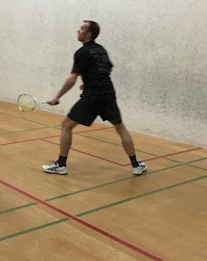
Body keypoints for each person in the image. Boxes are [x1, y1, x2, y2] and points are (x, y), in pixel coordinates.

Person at [42, 20, 147, 176]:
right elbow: (108, 68)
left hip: (92, 97)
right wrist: (89, 81)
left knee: (66, 126)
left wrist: (56, 97)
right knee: (120, 128)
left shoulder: (81, 52)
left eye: (81, 29)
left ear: (88, 34)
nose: (78, 31)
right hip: (108, 94)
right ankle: (136, 165)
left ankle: (61, 165)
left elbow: (72, 79)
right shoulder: (101, 50)